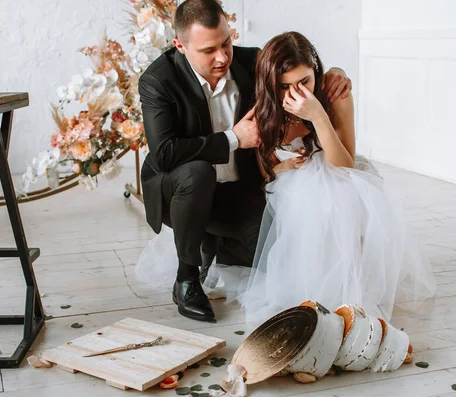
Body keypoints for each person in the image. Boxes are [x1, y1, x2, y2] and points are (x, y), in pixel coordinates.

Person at [137, 0, 352, 322]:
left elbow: (297, 64)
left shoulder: (251, 62)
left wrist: (336, 73)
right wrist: (234, 138)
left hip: (240, 190)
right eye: (208, 50)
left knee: (277, 257)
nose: (222, 57)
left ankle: (215, 243)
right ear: (180, 45)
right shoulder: (158, 80)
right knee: (196, 173)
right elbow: (164, 153)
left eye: (226, 43)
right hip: (181, 188)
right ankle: (186, 277)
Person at [217, 31, 436, 324]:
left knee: (336, 196)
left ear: (316, 72)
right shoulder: (265, 107)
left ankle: (345, 290)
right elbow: (264, 168)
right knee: (305, 199)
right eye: (285, 86)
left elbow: (344, 165)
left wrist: (318, 115)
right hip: (290, 183)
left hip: (343, 173)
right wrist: (279, 170)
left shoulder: (334, 97)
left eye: (305, 81)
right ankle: (309, 288)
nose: (297, 94)